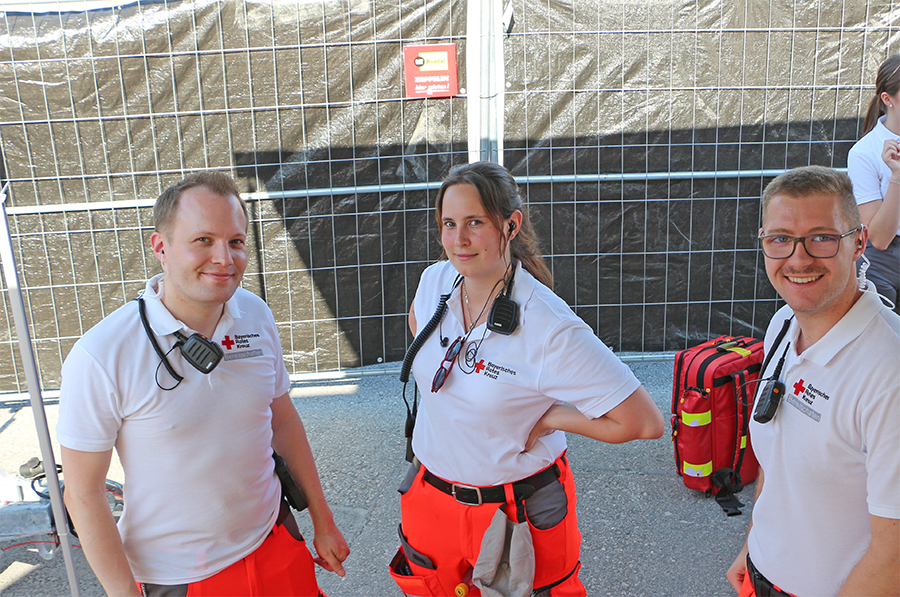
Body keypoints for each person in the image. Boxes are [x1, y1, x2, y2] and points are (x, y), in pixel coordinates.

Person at [57, 172, 349, 596]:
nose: (225, 259)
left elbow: (282, 420)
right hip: (181, 577)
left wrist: (322, 519)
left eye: (236, 242)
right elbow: (83, 495)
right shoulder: (102, 354)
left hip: (275, 541)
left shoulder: (254, 313)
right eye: (203, 241)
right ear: (161, 247)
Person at [389, 161, 665, 596]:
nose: (458, 240)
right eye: (448, 223)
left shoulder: (548, 325)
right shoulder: (436, 280)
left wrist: (553, 417)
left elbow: (643, 422)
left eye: (475, 223)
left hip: (513, 510)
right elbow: (418, 327)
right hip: (430, 496)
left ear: (511, 225)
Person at [726, 166, 899, 597]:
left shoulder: (888, 370)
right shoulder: (784, 323)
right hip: (762, 573)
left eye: (822, 237)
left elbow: (893, 555)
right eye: (780, 239)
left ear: (858, 242)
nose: (798, 259)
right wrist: (752, 546)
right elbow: (778, 451)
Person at [847, 53, 900, 313]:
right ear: (887, 99)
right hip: (883, 261)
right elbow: (878, 238)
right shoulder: (864, 153)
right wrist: (896, 178)